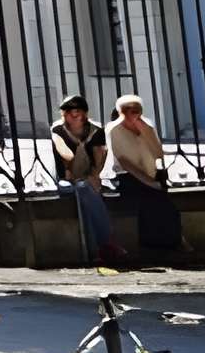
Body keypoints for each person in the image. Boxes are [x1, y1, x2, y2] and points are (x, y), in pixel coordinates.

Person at [107, 94, 191, 264]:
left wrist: (146, 131)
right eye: (128, 110)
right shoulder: (113, 129)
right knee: (154, 201)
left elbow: (158, 153)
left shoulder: (147, 125)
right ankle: (164, 244)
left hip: (151, 174)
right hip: (128, 176)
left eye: (136, 110)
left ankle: (170, 243)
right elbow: (124, 161)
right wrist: (148, 182)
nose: (133, 114)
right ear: (120, 112)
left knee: (163, 203)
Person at [50, 94, 117, 264]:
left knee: (84, 192)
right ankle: (106, 243)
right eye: (65, 113)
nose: (69, 117)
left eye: (74, 113)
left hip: (87, 179)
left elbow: (99, 158)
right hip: (64, 180)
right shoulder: (58, 129)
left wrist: (93, 177)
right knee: (82, 189)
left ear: (84, 114)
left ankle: (96, 252)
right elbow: (66, 155)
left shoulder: (95, 130)